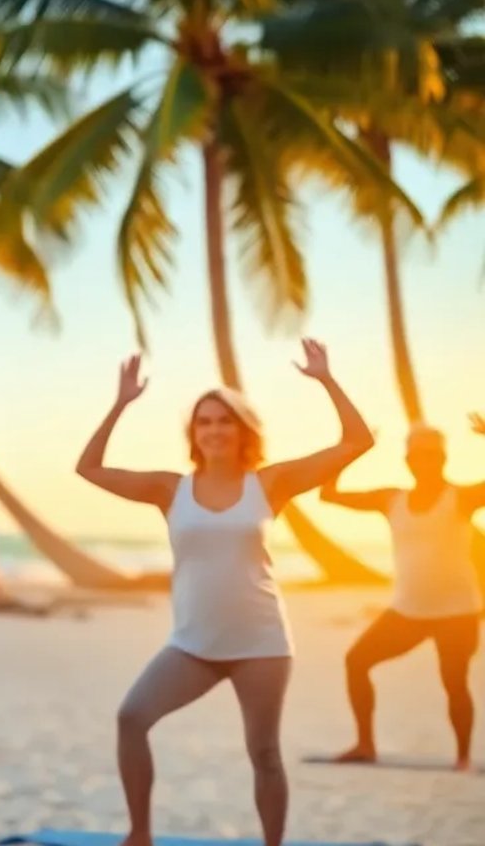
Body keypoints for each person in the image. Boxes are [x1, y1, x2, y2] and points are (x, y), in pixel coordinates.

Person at [74, 343, 374, 846]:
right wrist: (121, 403)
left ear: (243, 431)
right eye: (204, 422)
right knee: (132, 718)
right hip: (192, 644)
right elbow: (89, 469)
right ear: (194, 433)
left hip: (262, 644)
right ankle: (139, 834)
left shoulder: (270, 483)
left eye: (224, 421)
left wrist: (325, 379)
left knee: (264, 753)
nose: (214, 430)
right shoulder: (170, 489)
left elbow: (357, 442)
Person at [318, 423, 483, 771]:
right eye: (416, 454)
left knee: (454, 681)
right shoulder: (391, 499)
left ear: (442, 458)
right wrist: (351, 452)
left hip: (458, 613)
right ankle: (365, 745)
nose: (423, 461)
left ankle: (463, 758)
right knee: (356, 661)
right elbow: (328, 495)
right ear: (407, 459)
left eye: (431, 454)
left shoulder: (462, 498)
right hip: (407, 611)